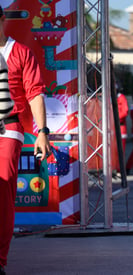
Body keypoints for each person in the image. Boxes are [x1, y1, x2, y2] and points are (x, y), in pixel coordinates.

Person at [0, 5, 51, 273]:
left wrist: (42, 131)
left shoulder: (20, 52)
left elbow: (35, 93)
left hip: (8, 130)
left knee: (3, 190)